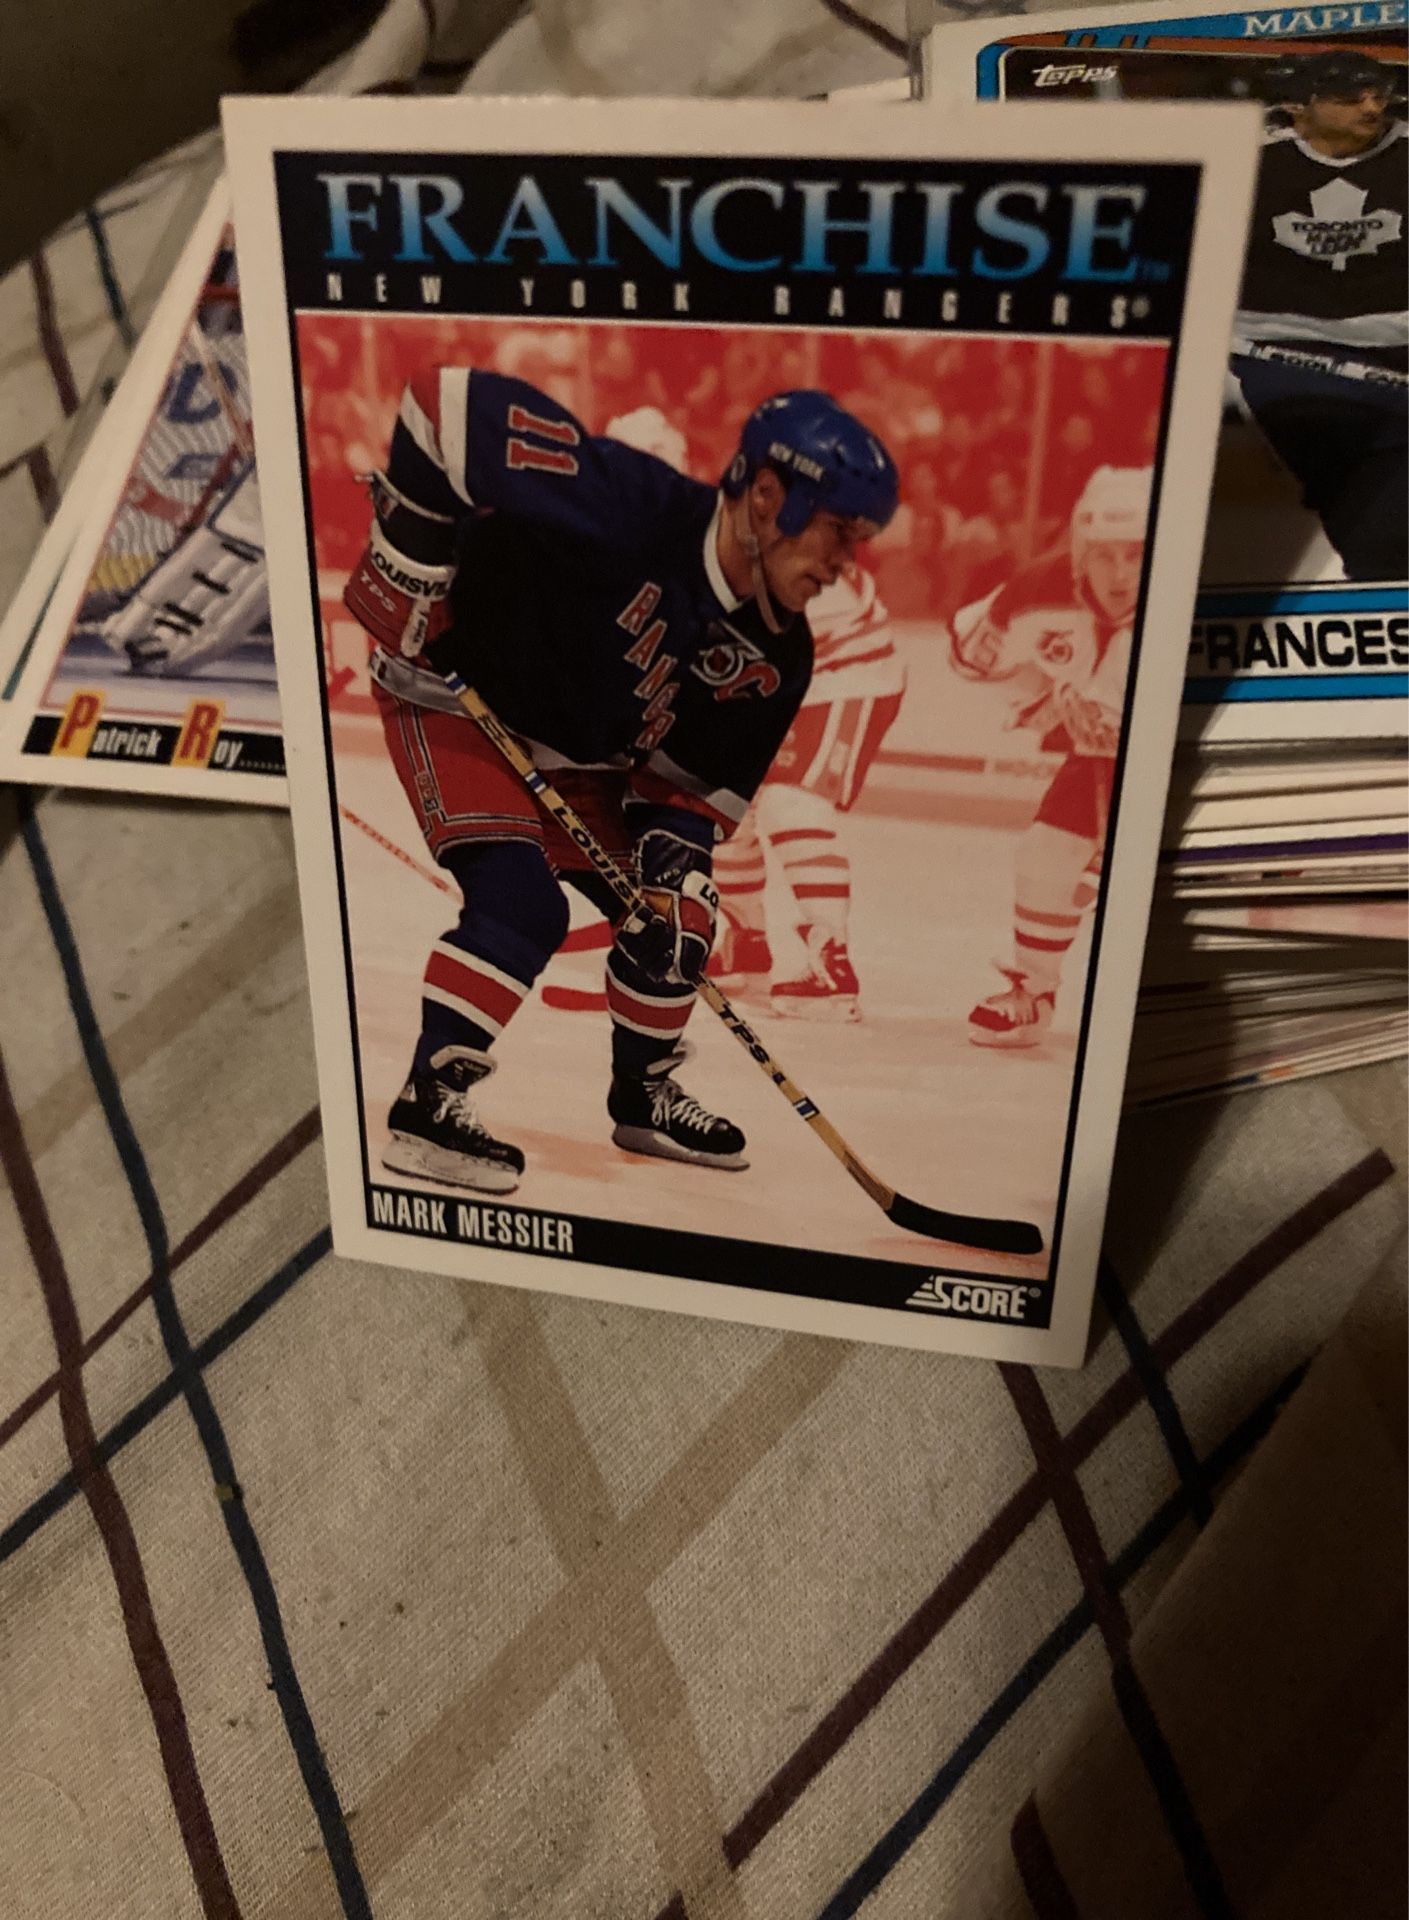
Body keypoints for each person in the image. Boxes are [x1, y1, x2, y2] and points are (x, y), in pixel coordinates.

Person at [341, 370, 898, 1192]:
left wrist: (672, 872)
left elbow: (684, 791)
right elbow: (440, 407)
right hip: (457, 697)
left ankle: (643, 1094)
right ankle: (428, 1103)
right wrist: (412, 555)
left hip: (581, 755)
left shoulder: (778, 654)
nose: (845, 563)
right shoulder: (629, 502)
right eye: (837, 531)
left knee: (679, 917)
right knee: (522, 906)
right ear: (767, 494)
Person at [952, 465, 1151, 1047]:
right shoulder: (1038, 592)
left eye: (1136, 555)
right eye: (1105, 555)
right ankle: (1034, 995)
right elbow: (969, 653)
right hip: (1101, 760)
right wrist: (1038, 692)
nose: (1120, 574)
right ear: (1080, 553)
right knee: (1045, 858)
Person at [1233, 49, 1407, 580]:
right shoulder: (1245, 156)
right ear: (1296, 104)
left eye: (1378, 93)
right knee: (1348, 491)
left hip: (1399, 346)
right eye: (1348, 96)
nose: (1371, 107)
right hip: (1280, 351)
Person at [711, 558, 904, 1021]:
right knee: (720, 796)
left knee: (790, 802)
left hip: (848, 667)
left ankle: (829, 962)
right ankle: (744, 941)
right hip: (779, 671)